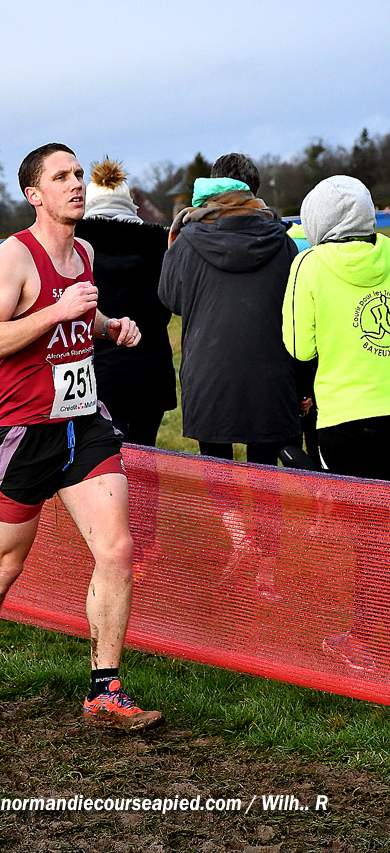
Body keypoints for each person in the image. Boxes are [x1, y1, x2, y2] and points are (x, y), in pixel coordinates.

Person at [0, 142, 163, 732]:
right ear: (34, 194)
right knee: (3, 565)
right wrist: (56, 310)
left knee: (116, 549)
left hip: (83, 424)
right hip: (20, 433)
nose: (76, 184)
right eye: (61, 177)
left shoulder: (86, 251)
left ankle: (105, 689)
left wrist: (109, 327)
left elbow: (82, 314)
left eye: (78, 174)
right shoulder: (12, 258)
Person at [158, 152, 303, 600]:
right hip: (272, 373)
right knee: (264, 474)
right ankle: (266, 572)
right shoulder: (283, 241)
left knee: (215, 462)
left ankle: (239, 538)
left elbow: (169, 298)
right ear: (252, 191)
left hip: (210, 371)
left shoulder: (186, 239)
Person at [282, 174, 390, 672]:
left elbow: (299, 346)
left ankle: (369, 642)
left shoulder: (309, 264)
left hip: (347, 421)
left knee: (368, 536)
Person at [75, 157, 177, 446]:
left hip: (99, 369)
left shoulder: (76, 246)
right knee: (146, 452)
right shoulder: (159, 245)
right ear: (129, 205)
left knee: (107, 456)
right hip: (151, 365)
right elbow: (168, 304)